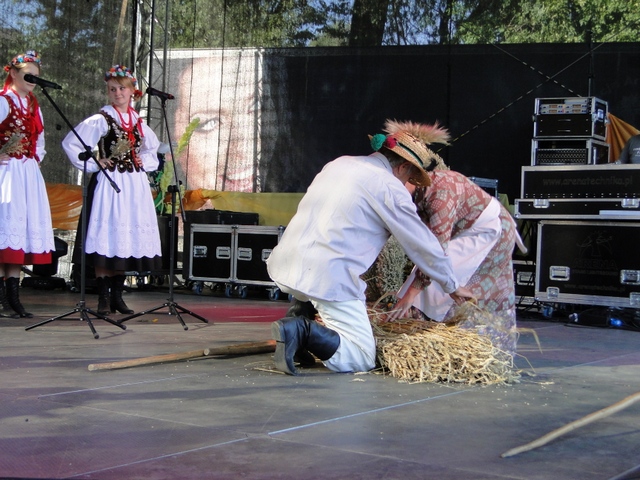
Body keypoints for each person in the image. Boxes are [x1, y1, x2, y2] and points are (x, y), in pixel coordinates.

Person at [266, 123, 474, 375]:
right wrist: (452, 284)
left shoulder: (338, 163)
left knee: (318, 261)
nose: (408, 184)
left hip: (285, 265)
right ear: (403, 167)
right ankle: (301, 331)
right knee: (360, 357)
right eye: (410, 177)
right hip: (326, 277)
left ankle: (299, 314)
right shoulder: (389, 187)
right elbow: (423, 245)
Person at [386, 120, 521, 355]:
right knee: (422, 284)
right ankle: (417, 340)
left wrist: (410, 295)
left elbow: (436, 252)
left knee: (437, 288)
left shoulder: (441, 196)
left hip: (490, 231)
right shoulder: (411, 195)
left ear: (406, 172)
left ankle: (470, 350)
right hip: (465, 231)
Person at [62, 65, 162, 315]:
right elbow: (72, 142)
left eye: (122, 88)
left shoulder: (138, 122)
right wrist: (96, 162)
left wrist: (143, 163)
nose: (117, 93)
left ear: (132, 92)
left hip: (133, 185)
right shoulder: (101, 119)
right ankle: (104, 299)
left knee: (123, 239)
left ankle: (117, 296)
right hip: (110, 182)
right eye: (112, 89)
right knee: (107, 237)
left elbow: (152, 149)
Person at [0, 50, 55, 318]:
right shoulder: (2, 101)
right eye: (28, 75)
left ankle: (13, 298)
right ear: (13, 73)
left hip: (26, 174)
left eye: (36, 76)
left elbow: (40, 141)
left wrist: (34, 159)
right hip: (6, 174)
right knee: (4, 230)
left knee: (17, 235)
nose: (33, 80)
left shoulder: (34, 105)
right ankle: (2, 300)